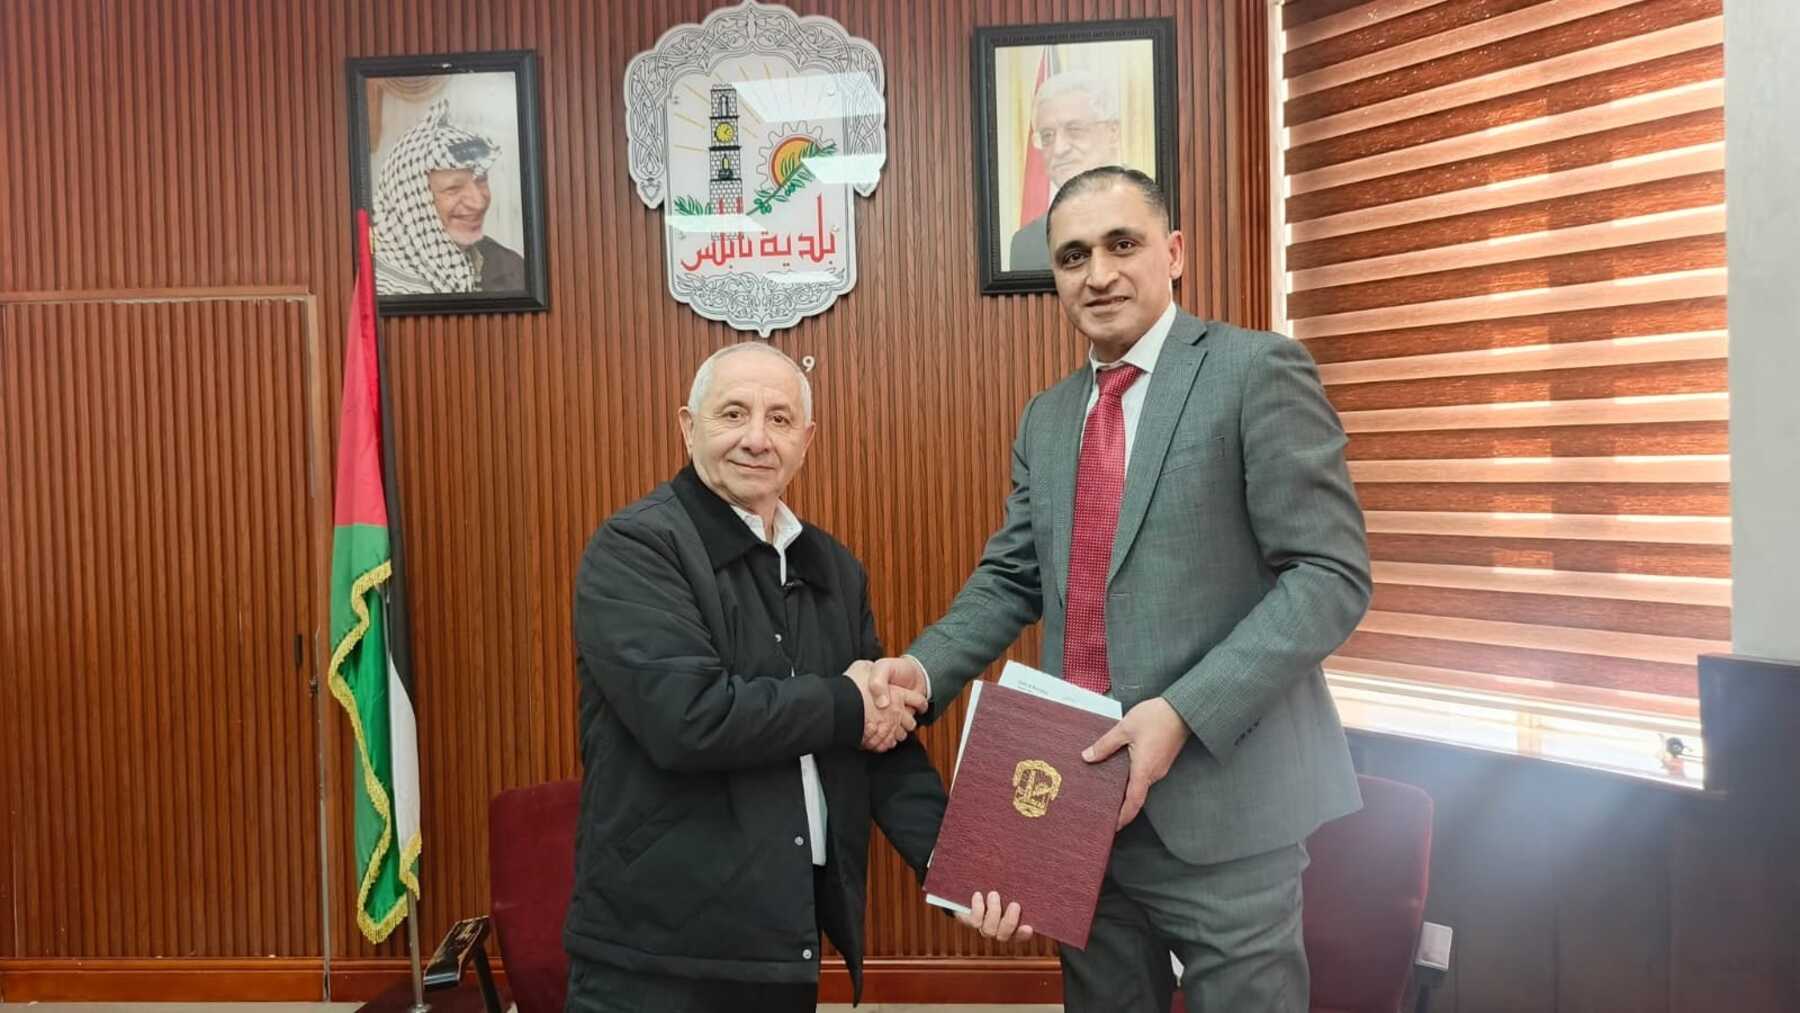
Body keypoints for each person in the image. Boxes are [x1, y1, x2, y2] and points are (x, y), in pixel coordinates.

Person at [873, 166, 1372, 1011]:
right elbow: (1013, 576)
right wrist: (920, 673)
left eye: (1121, 244)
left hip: (1229, 807)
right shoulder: (1048, 416)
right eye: (1073, 256)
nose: (1098, 273)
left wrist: (1180, 713)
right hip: (1082, 806)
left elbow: (1330, 576)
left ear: (1172, 253)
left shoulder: (1256, 370)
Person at [563, 342, 946, 1013]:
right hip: (657, 954)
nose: (757, 439)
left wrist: (961, 864)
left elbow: (876, 736)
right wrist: (848, 704)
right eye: (733, 413)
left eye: (780, 418)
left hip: (783, 944)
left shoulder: (833, 567)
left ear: (806, 440)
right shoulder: (637, 547)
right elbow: (689, 718)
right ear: (688, 428)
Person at [371, 99, 525, 295]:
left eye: (481, 180)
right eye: (454, 188)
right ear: (412, 203)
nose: (478, 203)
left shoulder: (509, 267)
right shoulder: (376, 289)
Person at [1008, 71, 1124, 272]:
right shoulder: (1027, 244)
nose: (1059, 149)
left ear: (1112, 132)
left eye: (1074, 130)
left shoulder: (1155, 210)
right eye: (1047, 136)